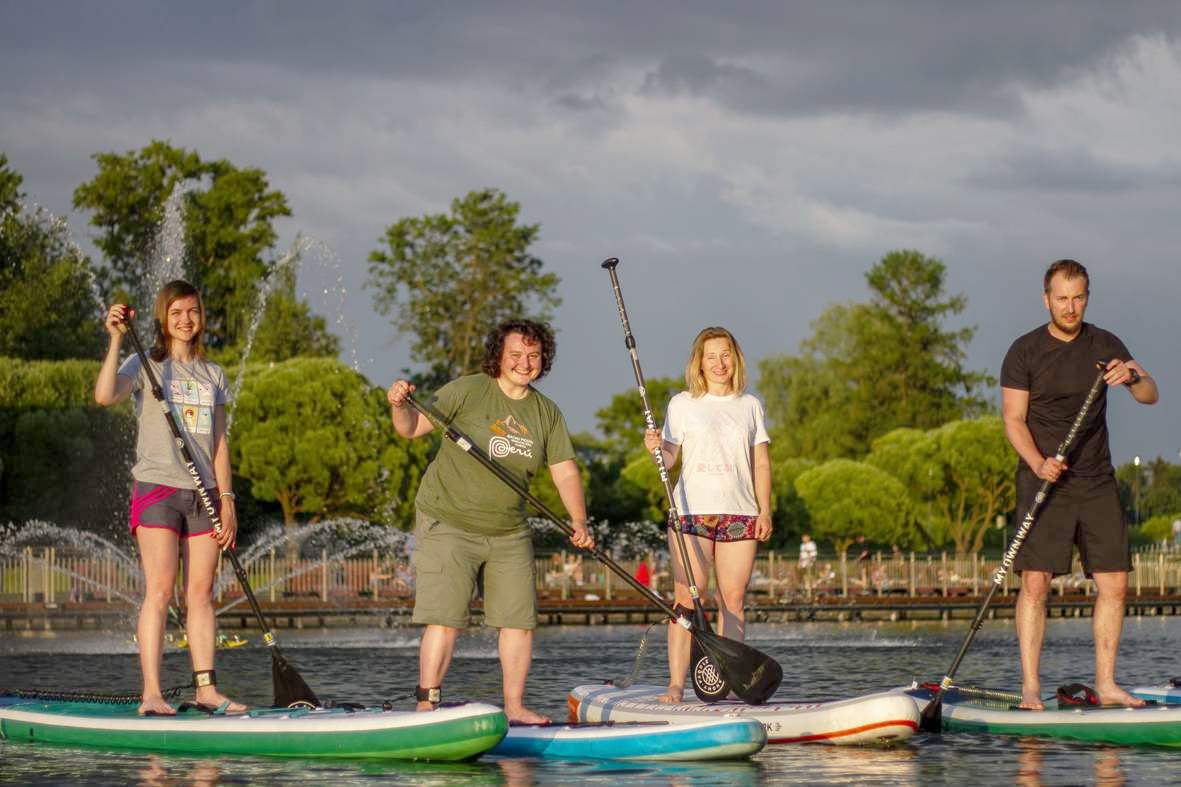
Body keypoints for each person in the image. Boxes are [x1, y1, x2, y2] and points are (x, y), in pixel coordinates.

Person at [387, 319, 593, 724]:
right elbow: (412, 429)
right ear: (499, 356)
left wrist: (579, 520)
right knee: (445, 618)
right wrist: (398, 405)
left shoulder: (546, 412)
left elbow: (565, 471)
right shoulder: (468, 389)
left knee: (518, 622)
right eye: (515, 354)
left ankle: (514, 707)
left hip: (509, 530)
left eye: (533, 356)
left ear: (543, 360)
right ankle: (427, 703)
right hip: (448, 519)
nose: (524, 362)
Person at [1001, 259, 1158, 710]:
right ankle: (1031, 687)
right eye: (1061, 298)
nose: (1070, 307)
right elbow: (1013, 420)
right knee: (1035, 583)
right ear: (1046, 298)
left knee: (1115, 583)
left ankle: (1106, 684)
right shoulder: (1024, 351)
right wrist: (1037, 462)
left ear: (1087, 297)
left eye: (1078, 297)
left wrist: (1131, 377)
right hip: (1044, 481)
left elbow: (1151, 394)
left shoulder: (1105, 343)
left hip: (1097, 481)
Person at [94, 280, 245, 716]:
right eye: (177, 312)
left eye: (193, 311)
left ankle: (207, 691)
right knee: (159, 590)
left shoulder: (213, 374)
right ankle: (152, 695)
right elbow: (105, 396)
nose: (185, 319)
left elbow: (218, 442)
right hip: (157, 487)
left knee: (201, 594)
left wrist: (227, 498)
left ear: (201, 317)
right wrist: (116, 338)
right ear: (164, 317)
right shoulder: (144, 363)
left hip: (204, 496)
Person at [643, 326, 772, 704]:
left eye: (726, 354)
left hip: (740, 513)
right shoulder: (681, 404)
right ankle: (676, 684)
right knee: (686, 595)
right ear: (699, 362)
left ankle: (731, 681)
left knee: (732, 600)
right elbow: (667, 460)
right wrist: (654, 446)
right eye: (711, 356)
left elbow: (760, 462)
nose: (719, 363)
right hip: (690, 513)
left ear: (736, 358)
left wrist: (765, 510)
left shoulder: (750, 404)